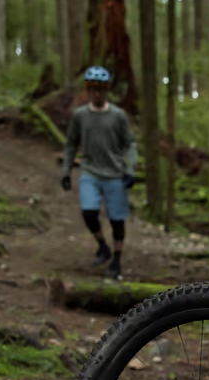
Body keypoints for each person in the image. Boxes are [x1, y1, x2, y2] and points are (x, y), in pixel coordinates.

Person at [61, 66, 137, 280]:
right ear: (87, 90)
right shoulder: (80, 116)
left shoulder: (118, 116)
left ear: (107, 90)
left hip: (114, 173)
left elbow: (130, 144)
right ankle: (102, 245)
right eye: (93, 89)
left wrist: (130, 169)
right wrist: (66, 171)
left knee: (117, 220)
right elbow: (70, 145)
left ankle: (117, 260)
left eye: (101, 89)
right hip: (90, 171)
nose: (97, 93)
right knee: (89, 212)